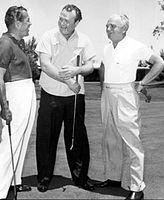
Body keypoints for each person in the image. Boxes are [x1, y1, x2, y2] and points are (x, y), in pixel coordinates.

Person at [96, 14, 164, 200]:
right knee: (110, 139)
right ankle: (112, 178)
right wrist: (103, 88)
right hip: (108, 93)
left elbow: (159, 63)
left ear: (124, 29)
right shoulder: (107, 47)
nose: (108, 29)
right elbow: (103, 67)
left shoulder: (136, 45)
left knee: (132, 141)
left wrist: (142, 84)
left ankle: (137, 187)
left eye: (113, 26)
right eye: (107, 25)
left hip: (126, 93)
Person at [35, 4, 96, 192]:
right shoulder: (48, 36)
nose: (62, 23)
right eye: (60, 18)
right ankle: (44, 178)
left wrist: (78, 70)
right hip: (51, 94)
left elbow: (90, 66)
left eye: (67, 21)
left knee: (77, 138)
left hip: (75, 97)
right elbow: (45, 65)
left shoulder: (84, 40)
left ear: (77, 22)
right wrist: (69, 81)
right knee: (47, 138)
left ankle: (80, 178)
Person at [0, 6, 36, 200]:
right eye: (27, 20)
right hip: (15, 95)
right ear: (17, 23)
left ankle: (14, 182)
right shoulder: (4, 43)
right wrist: (5, 107)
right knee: (10, 142)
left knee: (22, 139)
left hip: (25, 92)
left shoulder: (18, 42)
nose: (29, 23)